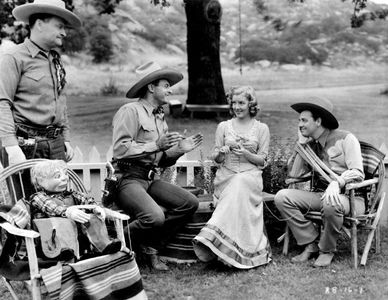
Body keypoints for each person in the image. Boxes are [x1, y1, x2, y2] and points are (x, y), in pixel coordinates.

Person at [111, 61, 203, 271]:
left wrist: (179, 149)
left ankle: (151, 246)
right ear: (151, 87)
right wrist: (156, 144)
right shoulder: (130, 111)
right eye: (165, 85)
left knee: (189, 202)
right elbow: (120, 150)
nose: (170, 89)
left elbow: (161, 160)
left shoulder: (160, 117)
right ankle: (112, 243)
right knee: (154, 217)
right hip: (127, 179)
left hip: (150, 179)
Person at [274, 96, 365, 267]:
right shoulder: (310, 145)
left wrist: (337, 182)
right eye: (299, 120)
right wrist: (301, 145)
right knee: (282, 197)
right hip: (320, 195)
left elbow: (358, 172)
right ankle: (311, 242)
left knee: (331, 202)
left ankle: (327, 250)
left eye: (304, 120)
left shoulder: (346, 138)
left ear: (318, 121)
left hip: (352, 197)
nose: (300, 125)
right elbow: (293, 174)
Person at [192, 86, 272, 269]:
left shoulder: (261, 128)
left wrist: (246, 154)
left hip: (250, 177)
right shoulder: (223, 127)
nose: (237, 106)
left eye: (241, 103)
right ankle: (223, 247)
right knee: (235, 184)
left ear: (251, 104)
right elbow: (217, 159)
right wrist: (221, 152)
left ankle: (211, 237)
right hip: (226, 177)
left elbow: (262, 161)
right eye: (234, 102)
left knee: (241, 181)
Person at [0, 0, 82, 167]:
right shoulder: (14, 57)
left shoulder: (56, 61)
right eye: (59, 26)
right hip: (25, 145)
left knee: (61, 193)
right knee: (28, 194)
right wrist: (11, 146)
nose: (64, 33)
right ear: (39, 24)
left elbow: (61, 102)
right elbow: (2, 102)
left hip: (56, 144)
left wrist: (65, 139)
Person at [30, 160, 122, 258]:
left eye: (65, 174)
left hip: (78, 236)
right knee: (63, 222)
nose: (64, 178)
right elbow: (52, 207)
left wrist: (95, 208)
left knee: (92, 217)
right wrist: (68, 212)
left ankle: (104, 246)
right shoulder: (38, 197)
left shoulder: (73, 194)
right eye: (58, 176)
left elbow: (87, 200)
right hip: (51, 240)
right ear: (41, 181)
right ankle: (63, 252)